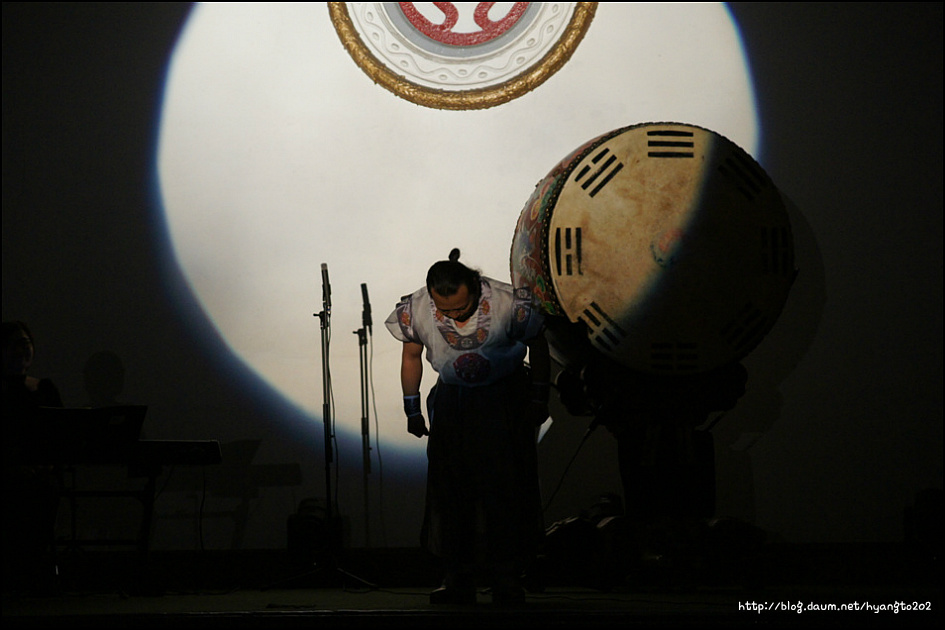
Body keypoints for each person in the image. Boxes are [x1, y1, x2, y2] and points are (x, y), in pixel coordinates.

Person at [385, 249, 549, 605]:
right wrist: (412, 408)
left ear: (474, 286)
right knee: (451, 491)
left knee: (504, 489)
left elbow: (537, 345)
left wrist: (539, 399)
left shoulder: (507, 302)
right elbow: (411, 355)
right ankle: (457, 576)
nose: (455, 317)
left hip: (502, 402)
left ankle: (507, 577)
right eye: (446, 311)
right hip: (454, 404)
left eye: (462, 308)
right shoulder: (417, 308)